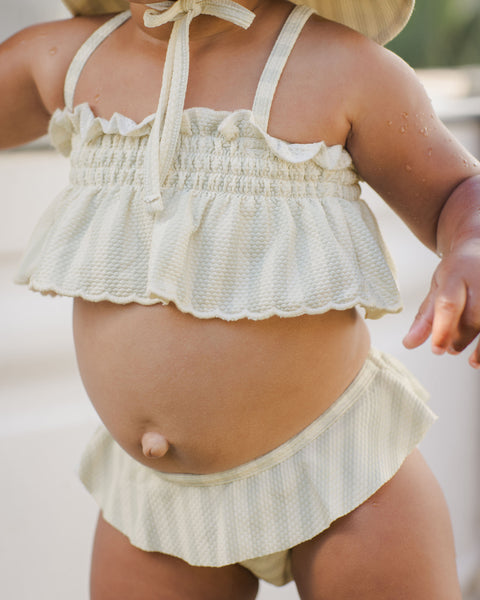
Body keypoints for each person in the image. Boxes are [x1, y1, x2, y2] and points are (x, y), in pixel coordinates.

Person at [1, 0, 479, 597]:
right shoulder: (69, 60)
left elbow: (456, 190)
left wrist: (471, 248)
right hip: (154, 502)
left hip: (343, 473)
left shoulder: (342, 69)